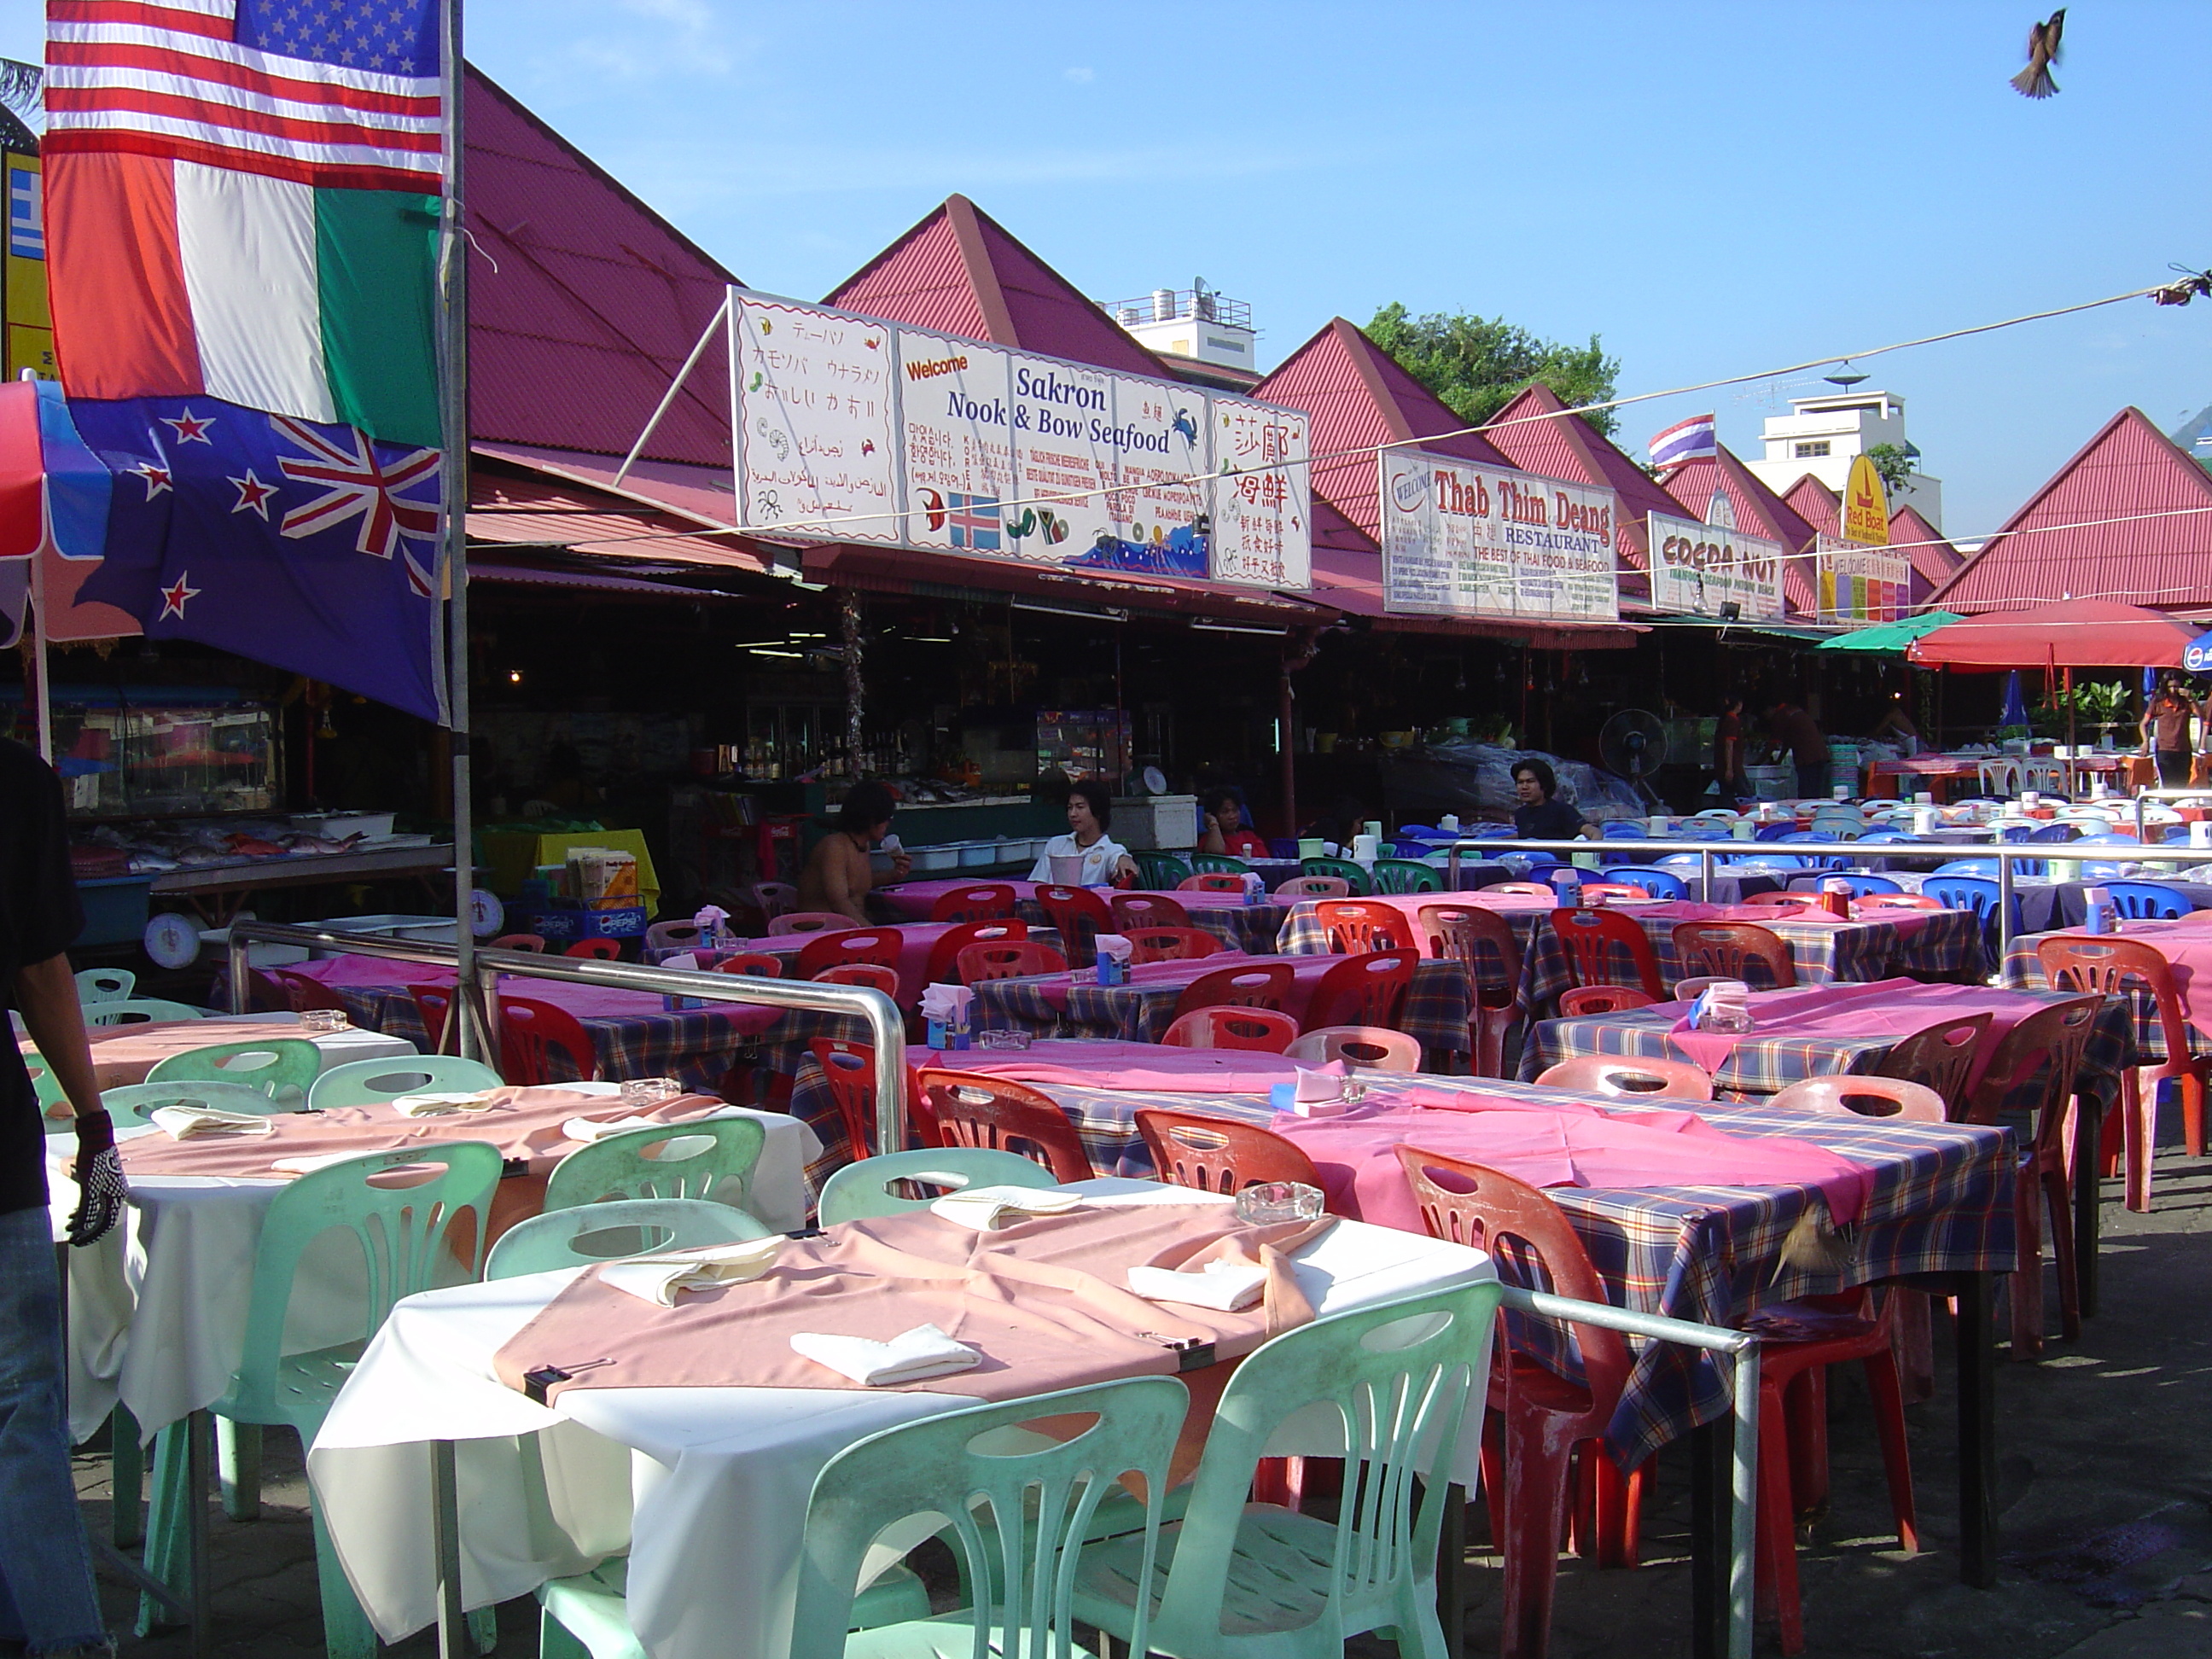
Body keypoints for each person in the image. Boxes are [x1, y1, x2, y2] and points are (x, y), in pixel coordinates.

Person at [3, 737, 124, 1659]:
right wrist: (91, 1120)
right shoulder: (11, 779)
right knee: (19, 1409)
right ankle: (63, 1638)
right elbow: (39, 969)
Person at [795, 780, 910, 923]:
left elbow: (857, 884)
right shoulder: (835, 846)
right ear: (871, 818)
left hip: (849, 929)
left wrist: (893, 875)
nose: (889, 823)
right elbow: (839, 902)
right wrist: (872, 933)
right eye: (887, 818)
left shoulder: (863, 845)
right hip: (821, 932)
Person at [1030, 779, 1138, 885]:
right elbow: (1037, 883)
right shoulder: (1056, 844)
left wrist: (1125, 860)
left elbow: (1122, 858)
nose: (1073, 814)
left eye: (1080, 807)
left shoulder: (1109, 850)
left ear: (1098, 811)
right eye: (1070, 807)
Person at [1511, 759, 1599, 842]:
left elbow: (1594, 832)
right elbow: (1525, 835)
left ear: (1544, 784)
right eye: (1520, 782)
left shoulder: (1561, 811)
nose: (1524, 787)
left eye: (1530, 781)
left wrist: (1593, 854)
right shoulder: (1520, 814)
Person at [2141, 676, 2200, 789]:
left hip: (2184, 749)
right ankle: (2169, 805)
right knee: (2169, 784)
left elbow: (2202, 716)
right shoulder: (2158, 702)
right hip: (2165, 749)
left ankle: (2178, 805)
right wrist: (2145, 741)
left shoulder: (2186, 702)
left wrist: (2191, 698)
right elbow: (2143, 723)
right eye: (2170, 687)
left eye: (2176, 687)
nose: (2173, 690)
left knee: (2182, 784)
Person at [1766, 697, 1830, 799]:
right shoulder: (1794, 711)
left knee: (1807, 791)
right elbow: (1787, 742)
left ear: (1770, 709)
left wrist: (1759, 761)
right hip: (1820, 754)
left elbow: (1773, 743)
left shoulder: (1781, 715)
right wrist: (1779, 760)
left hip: (1807, 758)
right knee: (1816, 791)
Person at [1197, 789, 1269, 859]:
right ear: (1214, 814)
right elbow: (1216, 853)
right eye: (1224, 812)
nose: (1232, 816)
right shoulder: (1208, 840)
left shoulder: (1249, 836)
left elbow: (1267, 861)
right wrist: (1213, 823)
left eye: (1235, 810)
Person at [1712, 695, 1752, 806]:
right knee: (1746, 798)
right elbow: (1729, 744)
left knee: (1727, 797)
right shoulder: (1732, 720)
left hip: (1725, 765)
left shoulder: (1726, 719)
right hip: (1733, 766)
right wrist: (1729, 768)